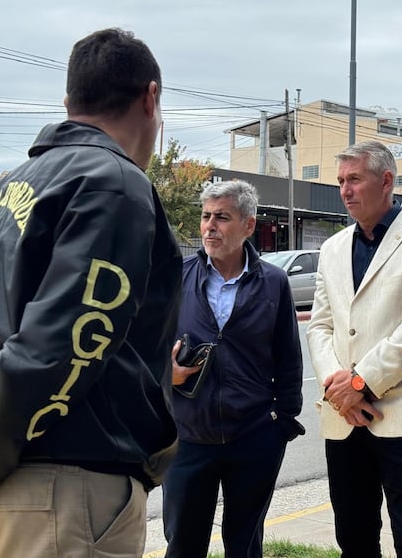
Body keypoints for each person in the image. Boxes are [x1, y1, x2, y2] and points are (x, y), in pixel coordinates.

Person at [0, 28, 181, 557]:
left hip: (12, 481)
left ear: (69, 102)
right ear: (151, 97)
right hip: (63, 491)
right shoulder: (113, 184)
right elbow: (55, 351)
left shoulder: (6, 190)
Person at [307, 140, 402, 558]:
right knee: (352, 537)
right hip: (343, 417)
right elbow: (320, 325)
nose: (345, 190)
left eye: (354, 179)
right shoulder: (332, 248)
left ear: (387, 180)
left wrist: (361, 382)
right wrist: (339, 387)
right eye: (340, 181)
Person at [163, 180, 304, 558]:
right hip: (188, 437)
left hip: (255, 436)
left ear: (248, 225)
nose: (210, 226)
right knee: (182, 543)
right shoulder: (177, 276)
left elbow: (289, 356)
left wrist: (283, 422)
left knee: (244, 544)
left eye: (222, 217)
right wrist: (166, 372)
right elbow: (145, 345)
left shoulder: (274, 282)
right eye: (206, 216)